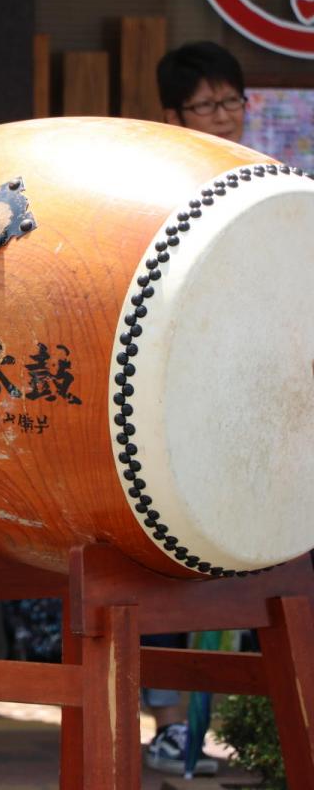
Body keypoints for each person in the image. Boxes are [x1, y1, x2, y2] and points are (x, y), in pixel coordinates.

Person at [137, 40, 249, 779]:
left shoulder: (269, 181)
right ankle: (171, 722)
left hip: (247, 402)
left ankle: (218, 723)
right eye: (204, 104)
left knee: (243, 567)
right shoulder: (152, 185)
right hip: (169, 407)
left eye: (230, 100)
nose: (221, 116)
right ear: (173, 114)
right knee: (168, 572)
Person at [158, 41, 247, 144]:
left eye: (231, 100)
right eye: (205, 105)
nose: (223, 117)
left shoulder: (259, 159)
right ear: (174, 118)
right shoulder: (161, 160)